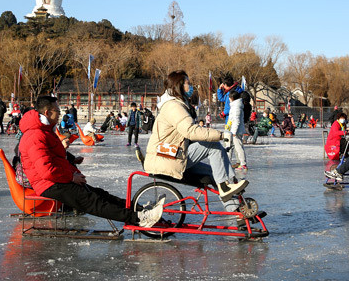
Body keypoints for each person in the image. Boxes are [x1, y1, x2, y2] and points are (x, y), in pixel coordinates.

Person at [19, 96, 164, 228]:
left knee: (101, 194)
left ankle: (138, 209)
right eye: (57, 110)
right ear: (47, 113)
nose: (60, 114)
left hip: (57, 179)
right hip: (49, 184)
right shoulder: (35, 135)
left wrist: (71, 161)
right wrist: (71, 177)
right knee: (92, 201)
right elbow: (46, 170)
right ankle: (139, 218)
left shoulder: (44, 131)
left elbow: (53, 155)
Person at [144, 70, 248, 202]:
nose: (191, 86)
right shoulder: (173, 106)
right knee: (212, 144)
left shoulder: (179, 104)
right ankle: (225, 186)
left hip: (174, 153)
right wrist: (221, 135)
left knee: (215, 171)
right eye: (188, 83)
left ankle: (237, 209)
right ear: (179, 86)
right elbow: (191, 131)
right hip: (167, 157)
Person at [226, 91, 247, 171]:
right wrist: (228, 127)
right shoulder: (234, 106)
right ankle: (228, 162)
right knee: (230, 146)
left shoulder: (236, 107)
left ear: (232, 98)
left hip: (236, 132)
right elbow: (231, 119)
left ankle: (243, 164)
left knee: (238, 147)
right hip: (232, 130)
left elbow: (236, 120)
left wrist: (234, 132)